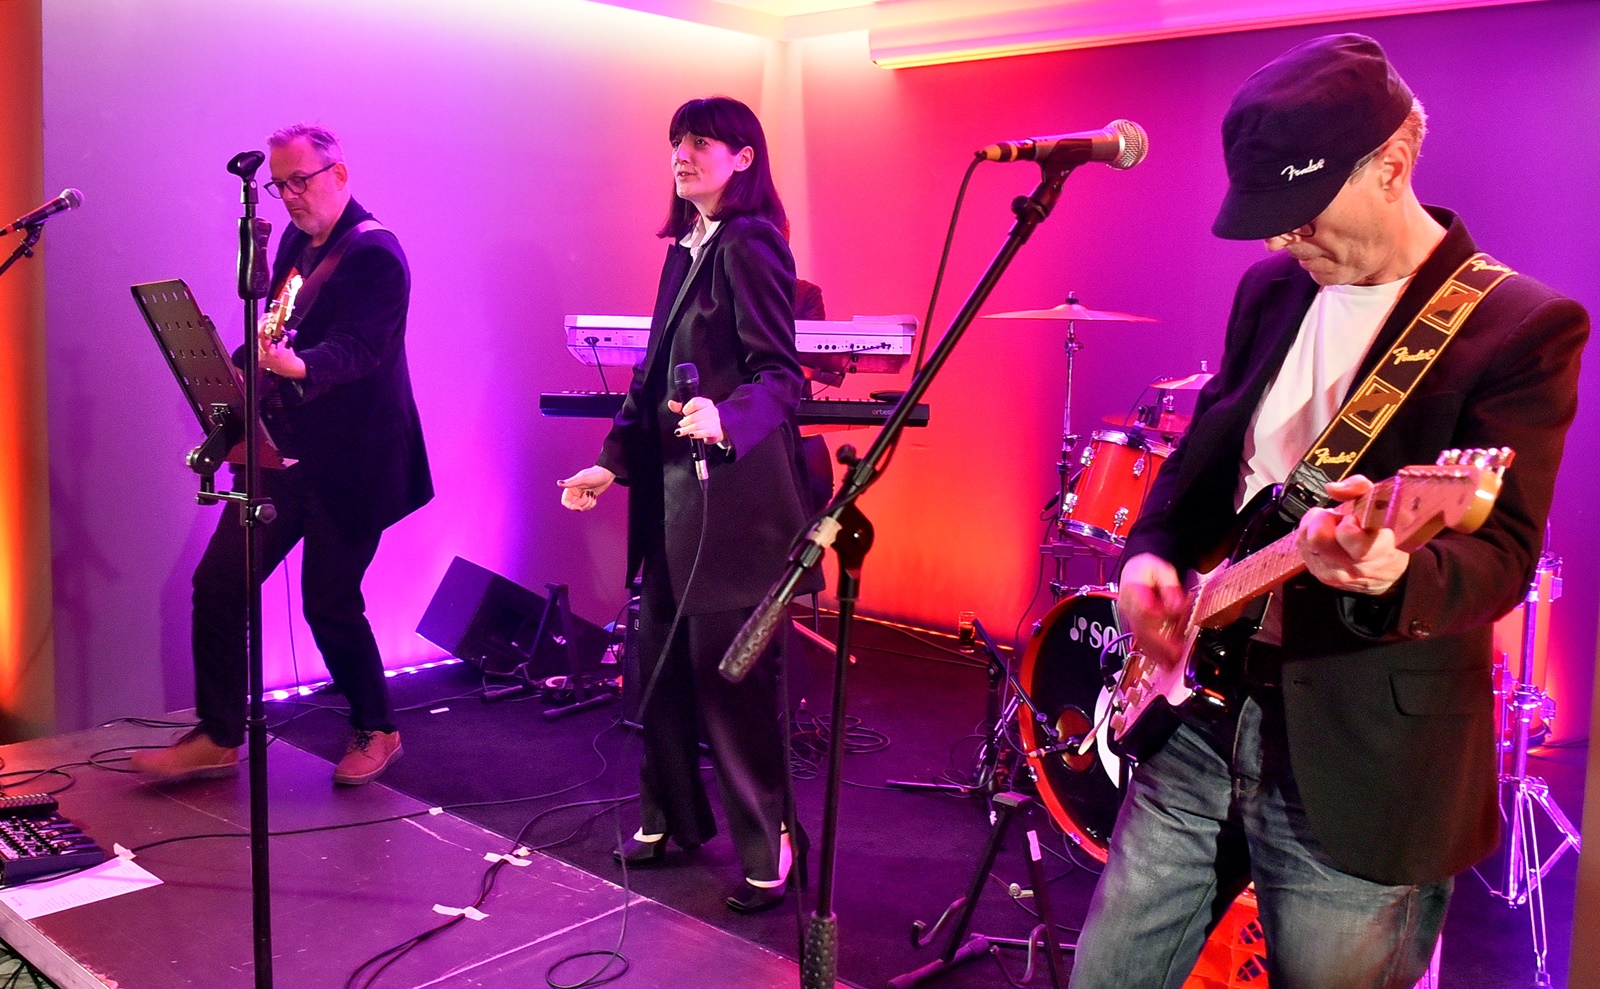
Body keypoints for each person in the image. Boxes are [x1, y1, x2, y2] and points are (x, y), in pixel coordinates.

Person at [1068, 34, 1589, 988]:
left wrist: (1393, 572)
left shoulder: (1518, 326)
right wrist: (1149, 552)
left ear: (1392, 164)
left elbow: (1502, 556)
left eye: (1298, 213)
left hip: (1359, 759)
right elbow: (1204, 462)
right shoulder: (1272, 290)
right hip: (1198, 719)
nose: (1279, 241)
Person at [558, 96, 821, 914]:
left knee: (728, 681)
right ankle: (670, 818)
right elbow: (648, 377)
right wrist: (610, 463)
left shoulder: (751, 242)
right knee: (660, 666)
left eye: (700, 141)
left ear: (744, 157)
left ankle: (769, 839)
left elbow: (780, 374)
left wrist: (727, 415)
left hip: (732, 504)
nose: (682, 153)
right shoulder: (686, 248)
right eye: (676, 140)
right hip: (671, 500)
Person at [132, 124, 432, 787]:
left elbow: (360, 349)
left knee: (328, 600)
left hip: (354, 462)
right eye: (279, 184)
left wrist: (298, 365)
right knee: (218, 585)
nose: (290, 195)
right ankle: (218, 736)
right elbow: (278, 327)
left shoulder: (377, 255)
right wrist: (246, 365)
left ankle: (378, 728)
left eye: (301, 180)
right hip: (285, 452)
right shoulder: (295, 242)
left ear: (339, 175)